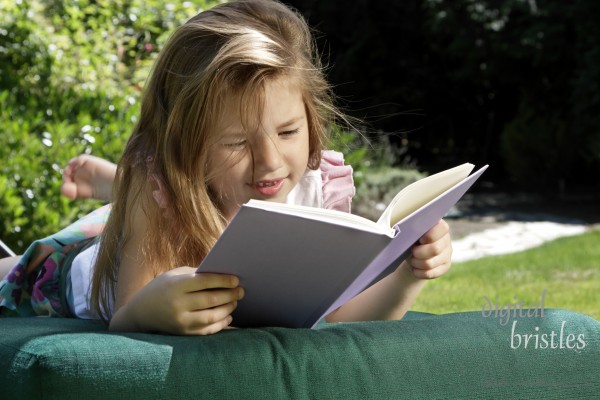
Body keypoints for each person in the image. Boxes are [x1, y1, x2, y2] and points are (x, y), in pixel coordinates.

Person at [0, 0, 452, 335]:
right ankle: (112, 188)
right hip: (74, 270)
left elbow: (336, 315)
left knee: (155, 202)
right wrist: (147, 309)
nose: (271, 162)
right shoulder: (156, 184)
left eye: (289, 132)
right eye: (237, 142)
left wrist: (408, 274)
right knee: (15, 269)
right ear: (185, 145)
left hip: (191, 198)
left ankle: (108, 184)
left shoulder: (313, 189)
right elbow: (125, 316)